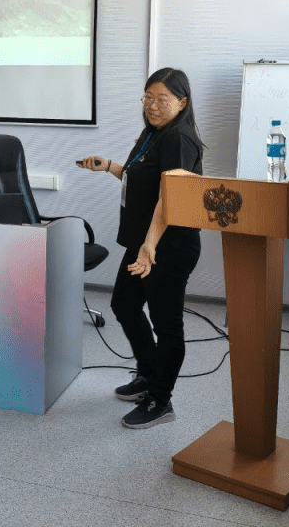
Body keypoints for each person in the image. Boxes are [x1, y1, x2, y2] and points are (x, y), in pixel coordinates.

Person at [77, 67, 203, 429]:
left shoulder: (179, 138)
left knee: (167, 324)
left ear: (182, 102)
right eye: (148, 97)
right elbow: (143, 179)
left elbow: (169, 197)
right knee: (124, 304)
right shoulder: (153, 133)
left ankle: (160, 400)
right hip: (144, 243)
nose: (153, 105)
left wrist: (149, 246)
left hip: (168, 246)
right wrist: (110, 167)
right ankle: (148, 374)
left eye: (162, 99)